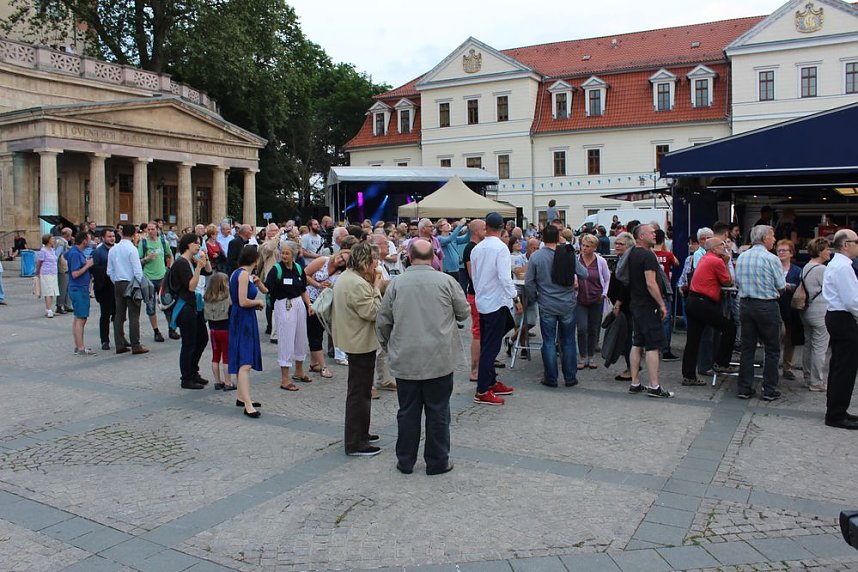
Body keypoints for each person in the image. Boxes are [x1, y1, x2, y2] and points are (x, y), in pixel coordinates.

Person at [376, 239, 469, 475]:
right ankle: (437, 462)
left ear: (408, 256)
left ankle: (405, 460)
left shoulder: (397, 284)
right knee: (438, 411)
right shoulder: (446, 281)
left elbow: (383, 321)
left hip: (406, 357)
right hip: (439, 358)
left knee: (407, 411)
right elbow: (463, 312)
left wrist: (389, 347)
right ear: (433, 258)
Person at [332, 242, 383, 456]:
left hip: (355, 340)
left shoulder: (348, 277)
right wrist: (377, 288)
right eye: (374, 260)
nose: (377, 264)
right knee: (359, 394)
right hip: (359, 343)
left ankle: (361, 432)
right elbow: (373, 311)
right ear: (366, 261)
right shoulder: (357, 283)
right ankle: (355, 442)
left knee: (360, 391)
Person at [525, 225, 586, 387]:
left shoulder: (536, 257)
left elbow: (529, 282)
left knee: (549, 341)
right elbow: (584, 274)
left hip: (547, 304)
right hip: (567, 304)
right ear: (558, 237)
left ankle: (551, 378)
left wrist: (535, 297)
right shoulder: (568, 254)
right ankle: (570, 377)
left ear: (542, 238)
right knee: (568, 341)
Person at [470, 212, 518, 405]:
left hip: (484, 300)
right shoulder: (501, 248)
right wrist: (515, 296)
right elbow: (504, 277)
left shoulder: (477, 248)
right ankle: (482, 389)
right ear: (503, 227)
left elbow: (475, 276)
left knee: (490, 342)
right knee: (491, 346)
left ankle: (489, 381)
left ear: (486, 227)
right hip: (497, 301)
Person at [735, 225, 785, 401]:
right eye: (772, 236)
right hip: (766, 305)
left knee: (747, 348)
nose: (774, 239)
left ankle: (744, 387)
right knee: (772, 348)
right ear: (764, 239)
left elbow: (737, 281)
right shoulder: (772, 259)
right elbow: (781, 285)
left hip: (746, 305)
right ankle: (769, 389)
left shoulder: (742, 257)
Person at [681, 238, 736, 386]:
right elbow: (728, 282)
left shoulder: (706, 258)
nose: (725, 248)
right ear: (713, 248)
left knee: (693, 340)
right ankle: (721, 362)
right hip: (703, 303)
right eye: (722, 245)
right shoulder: (716, 261)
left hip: (693, 301)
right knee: (729, 327)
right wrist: (725, 262)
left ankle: (689, 375)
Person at [626, 224, 673, 398]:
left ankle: (635, 383)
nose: (655, 234)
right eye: (651, 232)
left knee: (637, 343)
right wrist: (661, 304)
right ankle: (654, 386)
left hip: (636, 304)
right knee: (653, 345)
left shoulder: (631, 253)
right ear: (641, 236)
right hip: (648, 306)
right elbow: (651, 283)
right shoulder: (647, 255)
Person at [821, 229, 858, 429]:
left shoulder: (837, 264)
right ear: (846, 245)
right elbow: (852, 300)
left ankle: (837, 409)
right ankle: (836, 414)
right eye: (856, 241)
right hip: (843, 317)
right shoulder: (843, 267)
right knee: (845, 367)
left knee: (839, 366)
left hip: (836, 316)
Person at [266, 240, 312, 392]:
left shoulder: (298, 268)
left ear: (293, 254)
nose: (284, 255)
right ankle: (285, 379)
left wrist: (309, 304)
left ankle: (299, 371)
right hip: (284, 304)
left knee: (301, 337)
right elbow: (267, 289)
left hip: (298, 304)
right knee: (286, 339)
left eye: (287, 253)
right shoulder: (276, 269)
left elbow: (303, 289)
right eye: (282, 252)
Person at [229, 245, 267, 417]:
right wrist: (258, 303)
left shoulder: (237, 273)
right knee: (245, 362)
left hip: (242, 317)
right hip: (243, 318)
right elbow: (243, 301)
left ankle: (241, 397)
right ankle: (248, 404)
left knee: (242, 359)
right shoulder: (243, 274)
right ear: (256, 259)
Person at [171, 233, 213, 389]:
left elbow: (209, 272)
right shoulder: (181, 263)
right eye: (196, 243)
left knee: (202, 339)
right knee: (189, 343)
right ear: (188, 244)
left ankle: (193, 371)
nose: (198, 246)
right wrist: (198, 268)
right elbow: (191, 286)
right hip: (185, 307)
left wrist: (205, 259)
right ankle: (186, 377)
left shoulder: (191, 260)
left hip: (195, 306)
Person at [305, 250, 350, 379]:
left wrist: (330, 286)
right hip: (311, 300)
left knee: (318, 331)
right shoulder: (323, 260)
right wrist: (318, 284)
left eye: (344, 260)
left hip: (325, 304)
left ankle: (314, 363)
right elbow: (304, 275)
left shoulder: (341, 272)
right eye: (341, 256)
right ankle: (323, 366)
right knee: (316, 332)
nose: (340, 260)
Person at [107, 224, 149, 355]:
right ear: (134, 234)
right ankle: (136, 345)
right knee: (134, 314)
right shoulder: (132, 249)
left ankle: (119, 344)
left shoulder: (113, 249)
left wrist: (116, 280)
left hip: (118, 283)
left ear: (121, 233)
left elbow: (109, 271)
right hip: (131, 283)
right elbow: (137, 271)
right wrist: (141, 284)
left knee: (119, 314)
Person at [799, 237, 830, 393]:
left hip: (806, 310)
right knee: (819, 347)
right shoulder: (822, 270)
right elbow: (831, 289)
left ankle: (807, 377)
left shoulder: (806, 267)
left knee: (809, 345)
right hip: (820, 312)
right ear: (820, 251)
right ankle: (816, 382)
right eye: (827, 249)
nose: (829, 252)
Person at [575, 234, 610, 370]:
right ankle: (582, 356)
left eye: (587, 246)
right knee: (582, 328)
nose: (584, 248)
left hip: (596, 299)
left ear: (594, 248)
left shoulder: (600, 261)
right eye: (583, 245)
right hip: (580, 299)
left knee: (593, 329)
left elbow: (607, 279)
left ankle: (591, 356)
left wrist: (604, 294)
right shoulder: (577, 260)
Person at [139, 221, 173, 343]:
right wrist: (147, 258)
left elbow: (170, 255)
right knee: (151, 306)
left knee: (167, 304)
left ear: (158, 230)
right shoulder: (143, 243)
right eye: (148, 229)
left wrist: (169, 269)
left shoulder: (163, 242)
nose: (150, 231)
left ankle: (171, 328)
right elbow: (138, 261)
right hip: (149, 278)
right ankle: (156, 331)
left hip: (162, 277)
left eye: (153, 229)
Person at [607, 232, 634, 380]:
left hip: (626, 305)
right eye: (616, 243)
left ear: (629, 246)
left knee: (627, 337)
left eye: (621, 244)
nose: (617, 246)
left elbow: (625, 284)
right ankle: (632, 366)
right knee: (625, 337)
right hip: (622, 304)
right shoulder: (621, 259)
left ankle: (632, 368)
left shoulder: (627, 261)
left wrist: (618, 303)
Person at [462, 219, 485, 383]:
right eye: (484, 228)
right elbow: (473, 276)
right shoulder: (470, 248)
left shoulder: (477, 247)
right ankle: (475, 370)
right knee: (477, 332)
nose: (487, 230)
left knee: (483, 332)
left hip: (481, 295)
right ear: (476, 231)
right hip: (476, 295)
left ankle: (483, 364)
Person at [66, 231, 96, 355]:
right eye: (89, 239)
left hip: (80, 288)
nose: (91, 242)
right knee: (81, 318)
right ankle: (80, 348)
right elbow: (75, 273)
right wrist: (87, 265)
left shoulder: (77, 252)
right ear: (84, 241)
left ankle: (78, 345)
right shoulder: (75, 253)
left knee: (79, 317)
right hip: (78, 289)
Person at [775, 239, 801, 381]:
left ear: (791, 253)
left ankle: (787, 367)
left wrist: (789, 286)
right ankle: (773, 365)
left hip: (790, 308)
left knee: (790, 339)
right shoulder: (773, 267)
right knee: (776, 336)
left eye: (784, 250)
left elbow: (801, 288)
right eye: (779, 250)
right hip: (775, 307)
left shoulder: (797, 270)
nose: (781, 253)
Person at [204, 272, 234, 391]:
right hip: (225, 330)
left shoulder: (208, 297)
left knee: (215, 356)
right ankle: (228, 382)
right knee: (226, 357)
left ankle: (217, 381)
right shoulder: (227, 298)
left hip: (213, 330)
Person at [654, 229, 680, 361]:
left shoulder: (649, 254)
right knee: (665, 321)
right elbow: (676, 262)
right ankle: (665, 349)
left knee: (652, 320)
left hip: (652, 290)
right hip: (664, 290)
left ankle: (651, 347)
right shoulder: (667, 254)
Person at [91, 229, 115, 349]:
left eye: (113, 236)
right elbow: (95, 269)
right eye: (109, 236)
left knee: (118, 315)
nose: (112, 238)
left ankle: (120, 338)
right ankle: (104, 340)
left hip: (116, 286)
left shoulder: (116, 249)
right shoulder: (98, 252)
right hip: (104, 288)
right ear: (103, 238)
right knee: (105, 315)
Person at [35, 234, 59, 318]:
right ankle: (49, 310)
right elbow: (39, 262)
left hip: (53, 272)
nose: (53, 240)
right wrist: (37, 273)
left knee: (52, 291)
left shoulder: (52, 250)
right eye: (52, 239)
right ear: (48, 240)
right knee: (48, 291)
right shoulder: (43, 250)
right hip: (46, 273)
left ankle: (49, 308)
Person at [53, 228, 72, 314]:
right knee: (63, 288)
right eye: (70, 234)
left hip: (66, 268)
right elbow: (56, 255)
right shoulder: (61, 243)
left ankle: (67, 305)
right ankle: (59, 306)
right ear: (67, 235)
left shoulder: (63, 242)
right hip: (62, 269)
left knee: (67, 287)